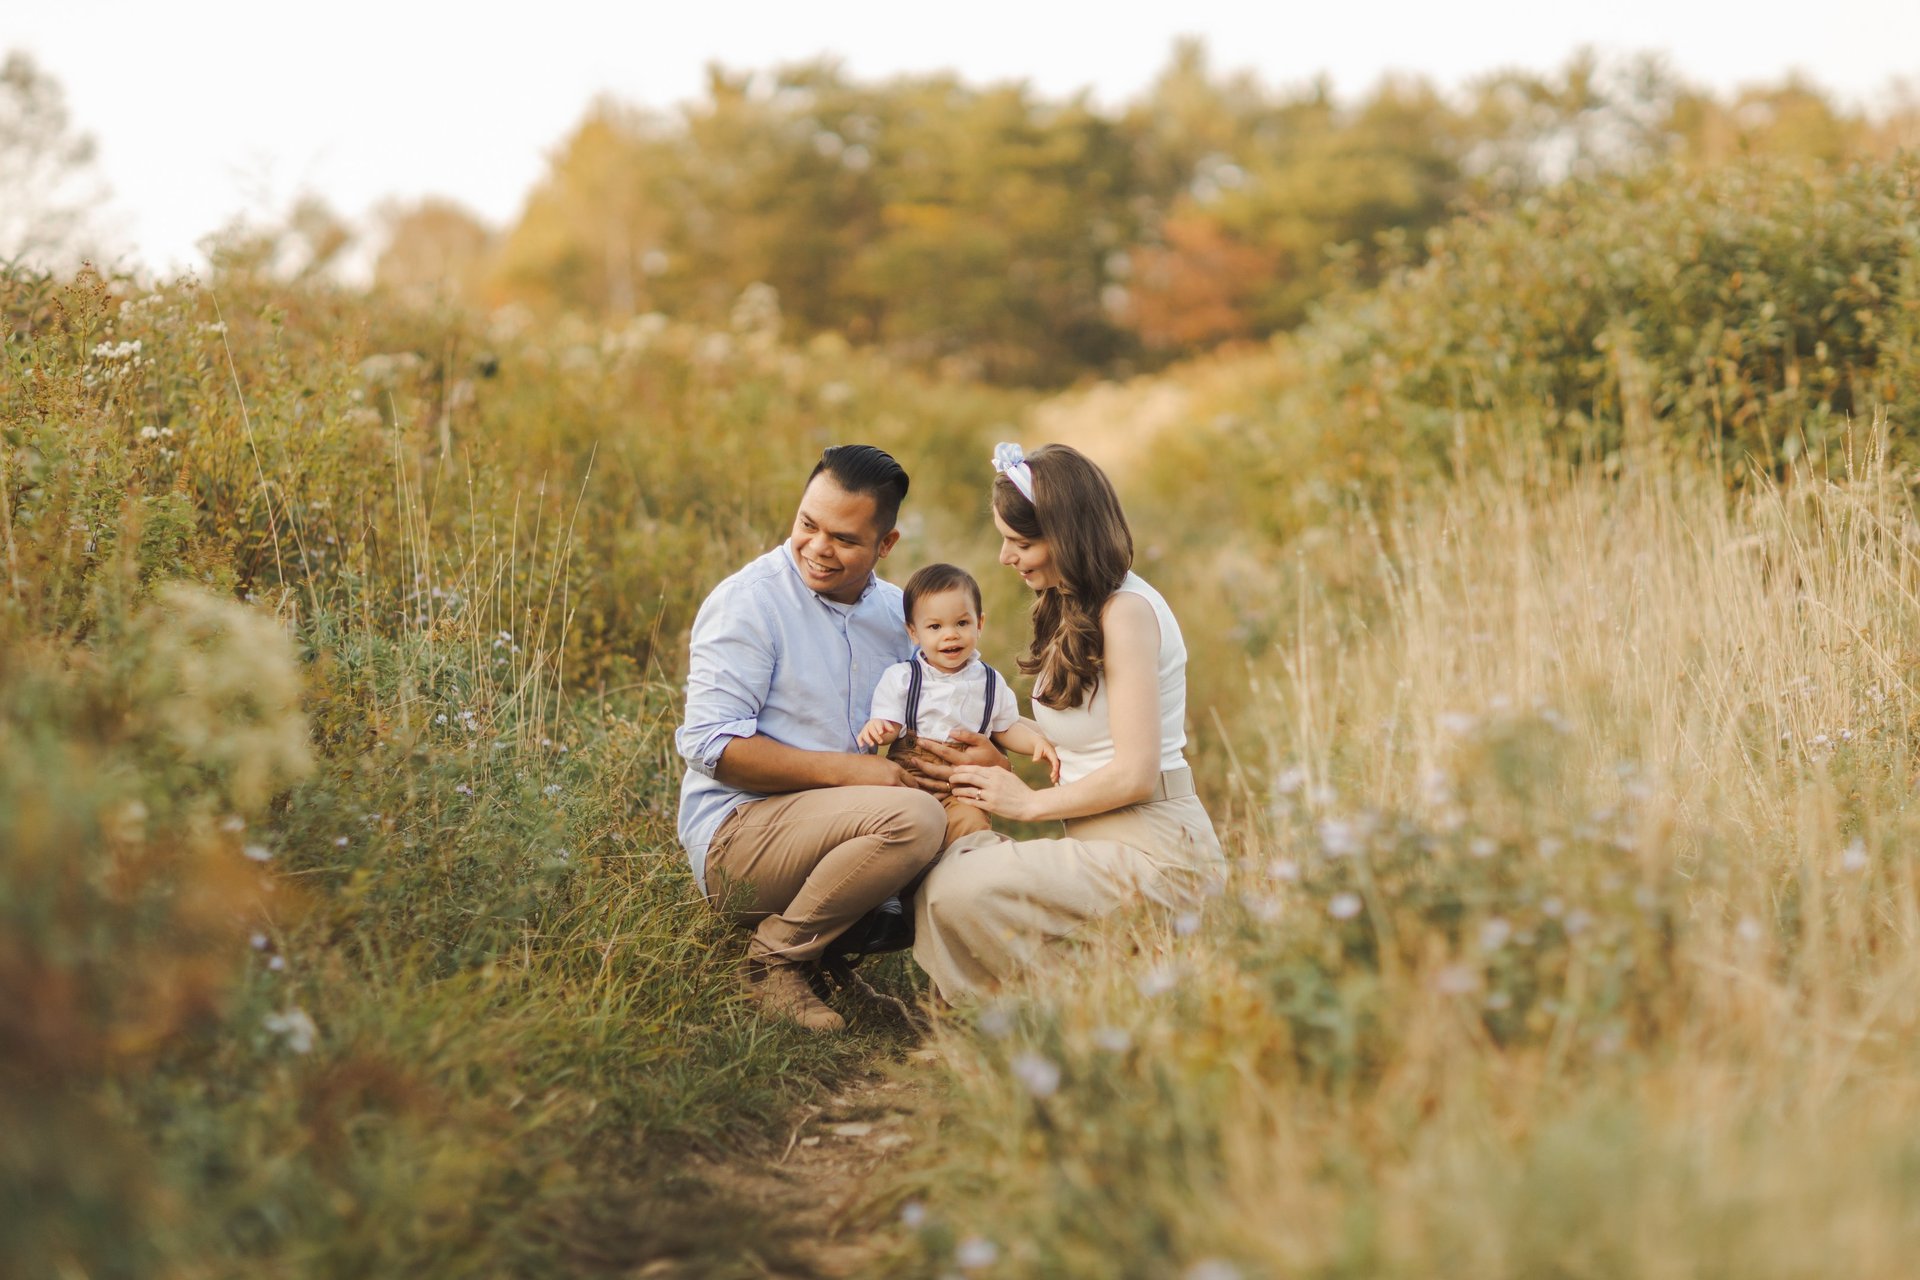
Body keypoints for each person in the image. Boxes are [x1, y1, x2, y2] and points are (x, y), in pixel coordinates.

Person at [910, 442, 1227, 1002]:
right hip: (1100, 848)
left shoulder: (1125, 612)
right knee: (948, 866)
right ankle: (1076, 994)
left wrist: (1027, 804)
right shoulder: (1071, 603)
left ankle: (1056, 1005)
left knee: (954, 891)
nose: (1006, 557)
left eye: (1021, 542)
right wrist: (993, 757)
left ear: (1069, 535)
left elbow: (1133, 773)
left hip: (1156, 852)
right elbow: (1080, 746)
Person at [676, 444, 956, 1032]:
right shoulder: (748, 603)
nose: (817, 548)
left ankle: (946, 987)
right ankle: (771, 962)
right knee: (913, 819)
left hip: (839, 824)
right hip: (740, 838)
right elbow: (712, 748)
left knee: (966, 809)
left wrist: (964, 759)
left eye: (845, 539)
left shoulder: (896, 613)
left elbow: (922, 717)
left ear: (886, 545)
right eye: (808, 524)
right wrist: (852, 769)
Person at [857, 562, 1061, 849]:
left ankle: (960, 876)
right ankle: (909, 879)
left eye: (961, 623)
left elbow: (1005, 727)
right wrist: (880, 727)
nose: (950, 634)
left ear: (979, 624)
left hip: (964, 786)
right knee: (903, 827)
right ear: (914, 633)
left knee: (971, 827)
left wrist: (1034, 743)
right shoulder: (903, 677)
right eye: (935, 627)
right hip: (911, 776)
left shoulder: (990, 681)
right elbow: (891, 724)